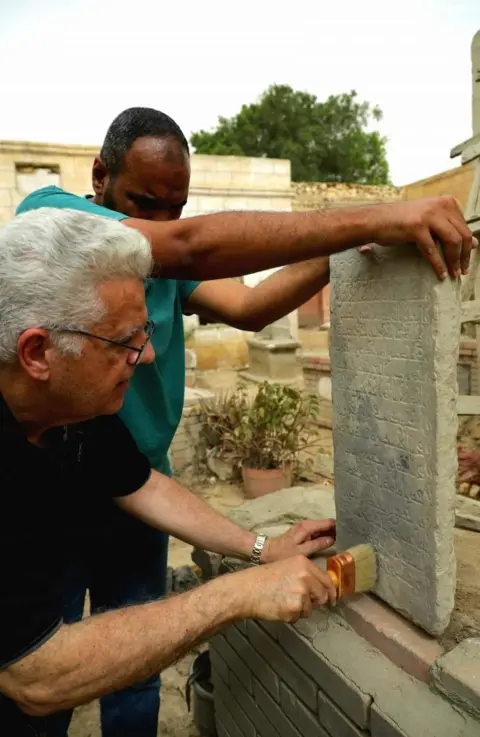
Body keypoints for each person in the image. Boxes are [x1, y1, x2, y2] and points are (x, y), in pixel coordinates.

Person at [17, 107, 478, 737]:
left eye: (173, 207)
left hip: (137, 478)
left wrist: (342, 248)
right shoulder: (55, 221)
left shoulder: (100, 424)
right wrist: (374, 214)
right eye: (144, 202)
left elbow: (249, 305)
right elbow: (37, 674)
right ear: (99, 176)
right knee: (48, 666)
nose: (146, 352)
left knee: (139, 660)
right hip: (59, 496)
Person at [0, 207, 339, 737]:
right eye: (125, 341)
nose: (150, 354)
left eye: (146, 332)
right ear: (38, 352)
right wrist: (240, 593)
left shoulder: (70, 409)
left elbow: (142, 484)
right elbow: (37, 674)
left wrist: (261, 550)